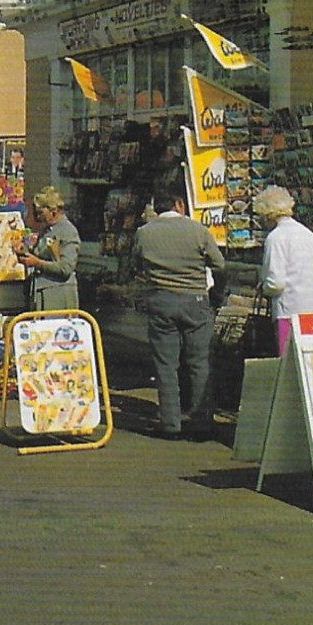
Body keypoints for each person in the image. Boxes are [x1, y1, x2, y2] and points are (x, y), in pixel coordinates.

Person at [133, 183, 226, 440]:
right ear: (180, 205)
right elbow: (219, 264)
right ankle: (201, 422)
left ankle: (170, 423)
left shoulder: (144, 233)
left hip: (160, 301)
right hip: (195, 301)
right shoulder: (198, 230)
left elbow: (135, 264)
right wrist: (216, 294)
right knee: (199, 363)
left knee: (166, 365)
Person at [253, 185, 313, 359]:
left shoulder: (276, 238)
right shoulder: (308, 235)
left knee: (289, 362)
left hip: (290, 311)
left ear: (267, 214)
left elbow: (276, 283)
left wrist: (263, 287)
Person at [18, 186, 80, 311]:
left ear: (53, 211)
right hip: (42, 294)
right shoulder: (46, 230)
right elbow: (40, 254)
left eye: (41, 212)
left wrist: (37, 263)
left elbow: (65, 268)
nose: (38, 217)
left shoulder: (68, 231)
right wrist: (24, 252)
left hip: (59, 297)